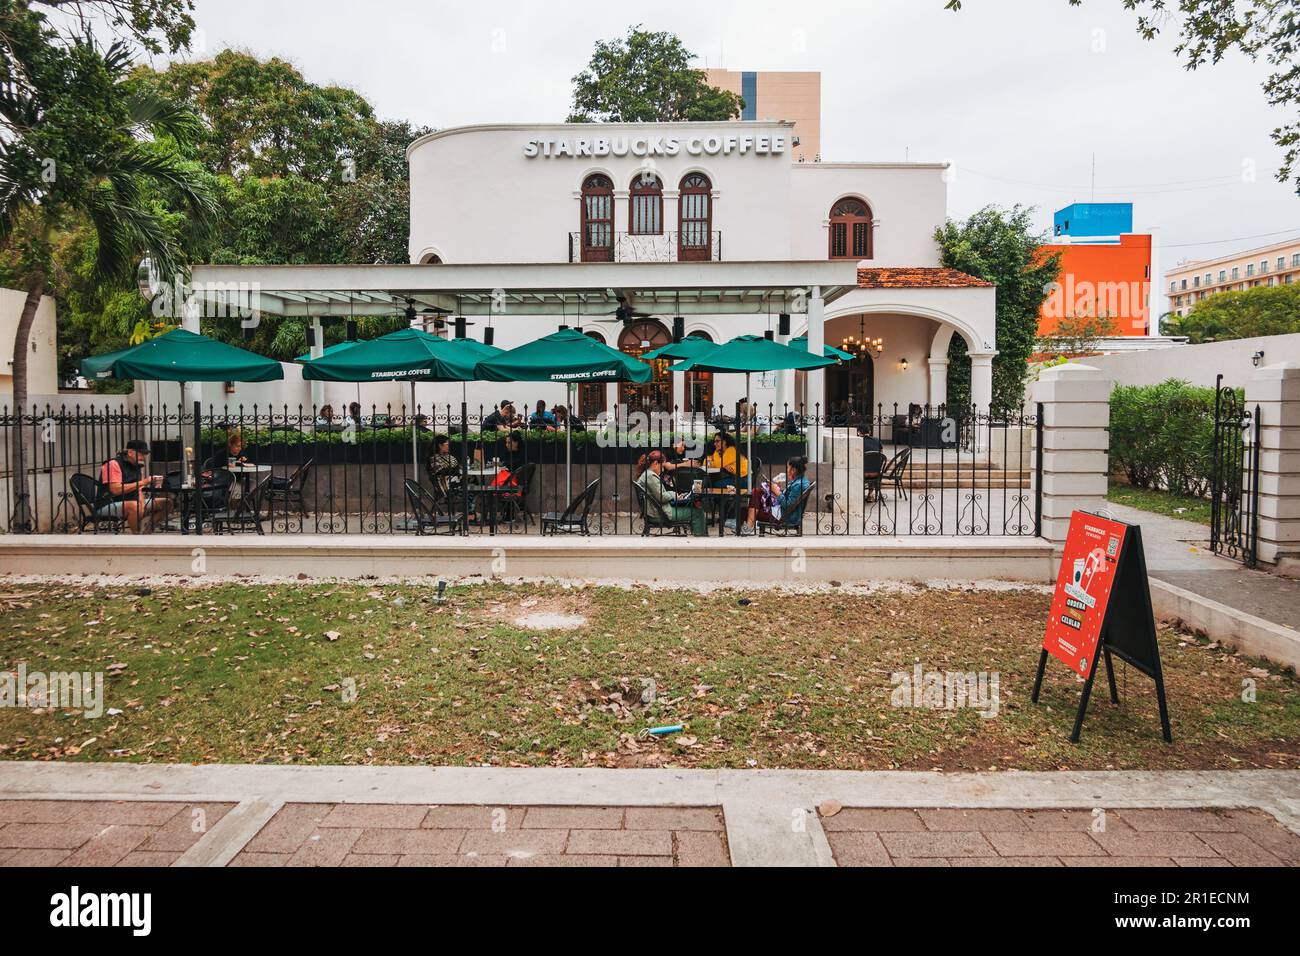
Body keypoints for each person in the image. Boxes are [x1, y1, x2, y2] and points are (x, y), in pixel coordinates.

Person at [98, 439, 172, 534]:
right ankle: (136, 536)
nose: (143, 457)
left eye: (145, 454)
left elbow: (139, 490)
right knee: (134, 506)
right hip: (108, 503)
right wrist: (144, 482)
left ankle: (147, 532)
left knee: (167, 503)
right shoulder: (113, 464)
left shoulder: (138, 466)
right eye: (141, 454)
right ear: (130, 452)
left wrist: (141, 504)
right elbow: (115, 490)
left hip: (132, 501)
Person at [635, 450, 705, 536]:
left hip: (658, 512)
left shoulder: (647, 474)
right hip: (660, 514)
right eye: (662, 466)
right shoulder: (650, 476)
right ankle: (701, 539)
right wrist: (674, 494)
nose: (663, 469)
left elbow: (660, 495)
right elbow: (662, 497)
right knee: (697, 512)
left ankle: (699, 537)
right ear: (655, 463)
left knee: (692, 507)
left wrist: (674, 495)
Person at [740, 456, 812, 536]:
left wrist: (776, 492)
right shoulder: (800, 481)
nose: (787, 470)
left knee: (745, 510)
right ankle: (749, 527)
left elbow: (788, 505)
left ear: (793, 470)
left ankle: (748, 527)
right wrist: (774, 490)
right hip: (781, 511)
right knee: (757, 492)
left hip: (785, 517)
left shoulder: (799, 485)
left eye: (788, 467)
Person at [424, 434, 460, 503]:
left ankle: (470, 509)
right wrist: (452, 467)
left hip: (453, 480)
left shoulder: (449, 456)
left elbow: (456, 467)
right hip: (443, 483)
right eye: (447, 444)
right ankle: (470, 510)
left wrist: (452, 467)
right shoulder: (434, 458)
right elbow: (441, 472)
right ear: (440, 445)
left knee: (472, 480)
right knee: (468, 484)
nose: (449, 446)